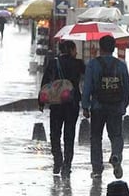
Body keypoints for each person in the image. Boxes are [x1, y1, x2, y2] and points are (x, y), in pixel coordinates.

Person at [82, 35, 129, 179]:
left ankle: (97, 168)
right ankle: (116, 155)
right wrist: (124, 104)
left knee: (96, 137)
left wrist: (85, 106)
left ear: (100, 47)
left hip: (98, 106)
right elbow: (127, 87)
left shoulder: (93, 64)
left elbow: (87, 87)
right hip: (116, 106)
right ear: (114, 48)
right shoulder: (121, 65)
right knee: (116, 136)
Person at [39, 40, 85, 178]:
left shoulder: (53, 63)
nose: (76, 52)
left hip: (56, 103)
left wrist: (40, 101)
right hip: (72, 103)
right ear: (70, 49)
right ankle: (67, 165)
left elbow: (45, 82)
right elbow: (87, 77)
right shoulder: (78, 63)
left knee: (55, 133)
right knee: (69, 134)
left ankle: (57, 160)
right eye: (75, 49)